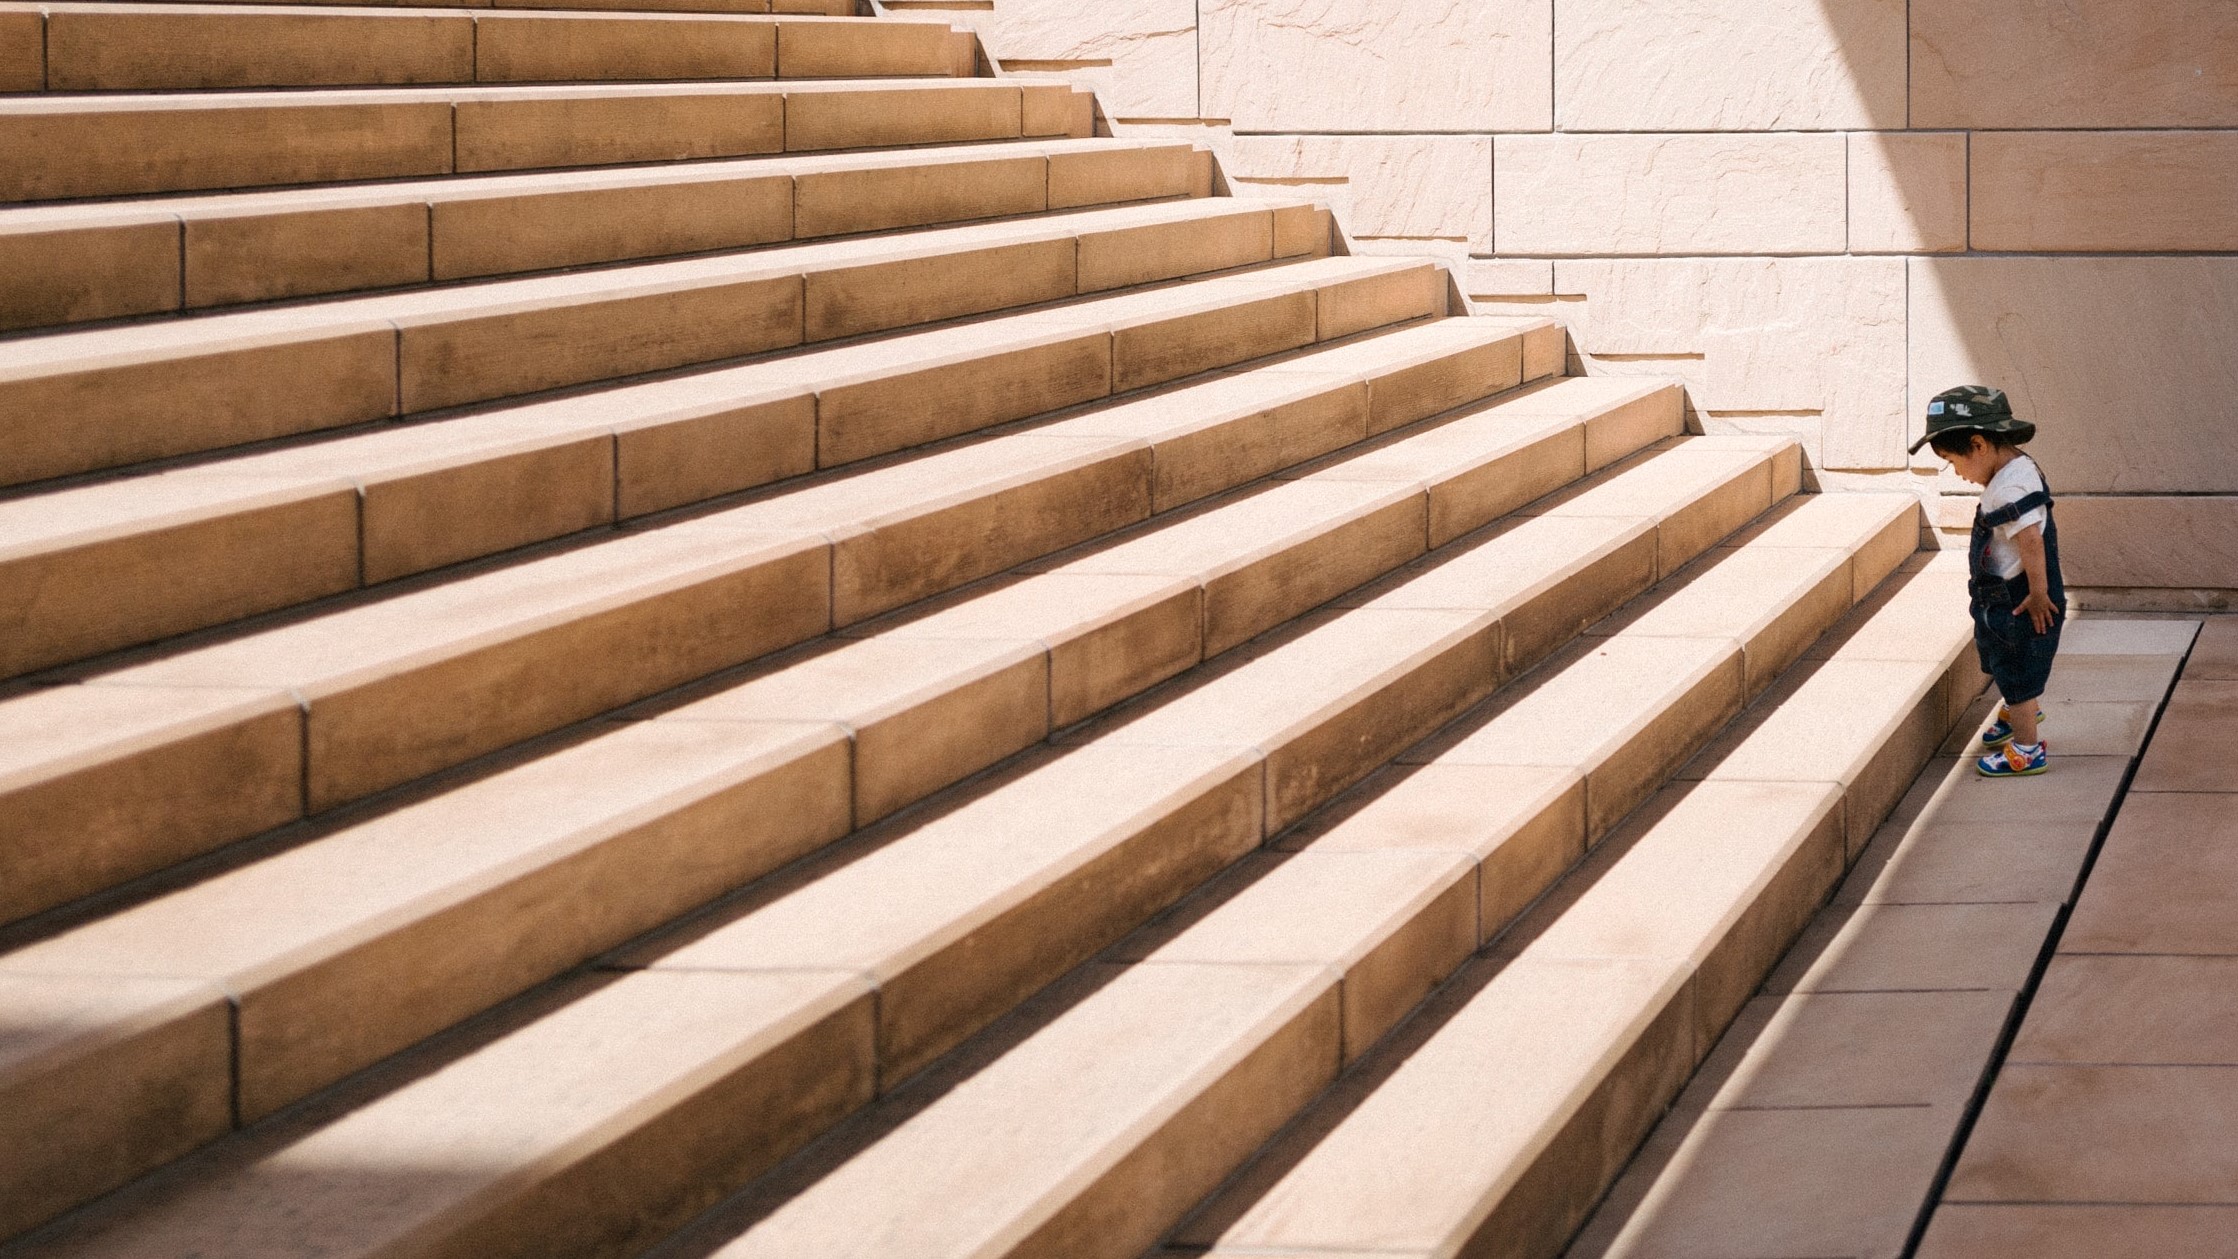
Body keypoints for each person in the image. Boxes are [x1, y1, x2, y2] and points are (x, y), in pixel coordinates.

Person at [1910, 386, 2064, 778]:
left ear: (1978, 444)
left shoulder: (2008, 488)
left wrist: (2038, 593)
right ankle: (2019, 709)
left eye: (1952, 461)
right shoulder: (2016, 468)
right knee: (2004, 658)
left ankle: (2027, 748)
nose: (1957, 473)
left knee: (2017, 668)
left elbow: (2031, 540)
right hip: (2006, 594)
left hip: (2019, 597)